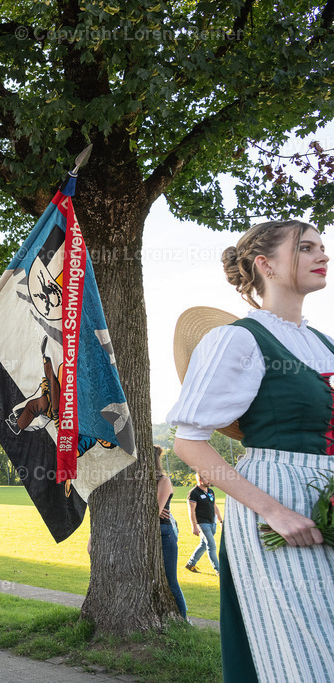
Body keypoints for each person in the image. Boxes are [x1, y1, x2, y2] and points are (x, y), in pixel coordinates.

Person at [169, 219, 334, 682]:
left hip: (327, 497)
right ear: (265, 264)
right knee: (303, 655)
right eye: (305, 248)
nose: (322, 255)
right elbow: (188, 441)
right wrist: (275, 512)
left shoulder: (324, 343)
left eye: (322, 247)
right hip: (274, 502)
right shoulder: (238, 338)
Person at [154, 445, 186, 620]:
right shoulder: (142, 481)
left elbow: (156, 510)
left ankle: (184, 618)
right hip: (151, 533)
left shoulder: (164, 481)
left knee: (170, 580)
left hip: (164, 532)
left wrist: (153, 510)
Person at [185, 472, 223, 574]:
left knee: (203, 545)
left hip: (212, 522)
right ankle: (219, 571)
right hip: (202, 523)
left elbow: (214, 506)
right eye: (207, 479)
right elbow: (191, 511)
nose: (210, 481)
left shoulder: (211, 491)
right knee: (211, 545)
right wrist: (194, 526)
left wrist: (220, 520)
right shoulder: (194, 493)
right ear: (200, 480)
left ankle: (191, 564)